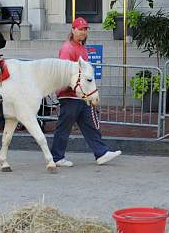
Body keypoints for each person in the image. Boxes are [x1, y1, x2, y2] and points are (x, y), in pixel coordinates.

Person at [51, 17, 122, 167]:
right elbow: (64, 73)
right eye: (80, 29)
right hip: (69, 95)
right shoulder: (67, 48)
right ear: (73, 30)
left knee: (90, 124)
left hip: (80, 95)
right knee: (65, 126)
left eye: (85, 29)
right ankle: (57, 157)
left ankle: (101, 153)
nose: (83, 32)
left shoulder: (81, 48)